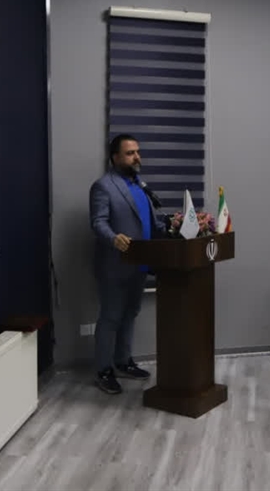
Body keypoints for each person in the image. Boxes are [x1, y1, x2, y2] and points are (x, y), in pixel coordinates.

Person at [89, 134, 167, 394]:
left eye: (137, 152)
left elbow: (151, 224)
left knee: (130, 314)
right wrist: (114, 238)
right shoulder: (103, 186)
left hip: (140, 265)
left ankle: (123, 361)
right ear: (115, 157)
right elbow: (98, 222)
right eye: (130, 153)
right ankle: (103, 370)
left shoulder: (140, 186)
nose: (137, 157)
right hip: (115, 265)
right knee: (110, 317)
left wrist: (174, 225)